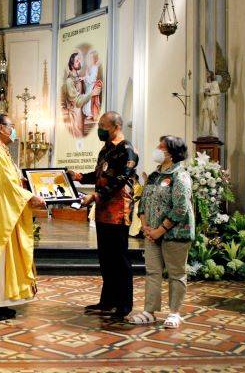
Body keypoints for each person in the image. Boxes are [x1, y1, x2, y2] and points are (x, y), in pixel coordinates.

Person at [0, 114, 47, 321]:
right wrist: (30, 196)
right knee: (0, 256)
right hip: (1, 215)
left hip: (4, 211)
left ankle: (0, 302)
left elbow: (10, 179)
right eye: (11, 126)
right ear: (1, 127)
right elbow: (6, 184)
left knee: (4, 258)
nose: (14, 130)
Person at [68, 111, 138, 319]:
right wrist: (79, 176)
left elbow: (118, 182)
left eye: (102, 126)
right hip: (103, 211)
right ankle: (107, 301)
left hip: (118, 211)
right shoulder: (106, 149)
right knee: (106, 258)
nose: (99, 129)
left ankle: (124, 306)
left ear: (116, 127)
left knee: (120, 259)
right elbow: (101, 175)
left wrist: (95, 196)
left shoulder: (127, 151)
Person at [128, 136, 194, 328]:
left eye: (161, 146)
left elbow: (180, 207)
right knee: (152, 272)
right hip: (152, 234)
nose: (156, 149)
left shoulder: (180, 176)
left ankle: (174, 313)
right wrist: (145, 225)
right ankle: (149, 311)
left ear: (171, 153)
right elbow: (143, 201)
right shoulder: (156, 176)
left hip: (175, 234)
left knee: (176, 273)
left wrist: (160, 230)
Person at [63, 52, 102, 138]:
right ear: (72, 65)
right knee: (78, 136)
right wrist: (92, 93)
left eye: (79, 60)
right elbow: (77, 101)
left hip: (81, 115)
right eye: (77, 61)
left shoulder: (78, 77)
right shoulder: (69, 81)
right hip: (75, 116)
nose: (79, 62)